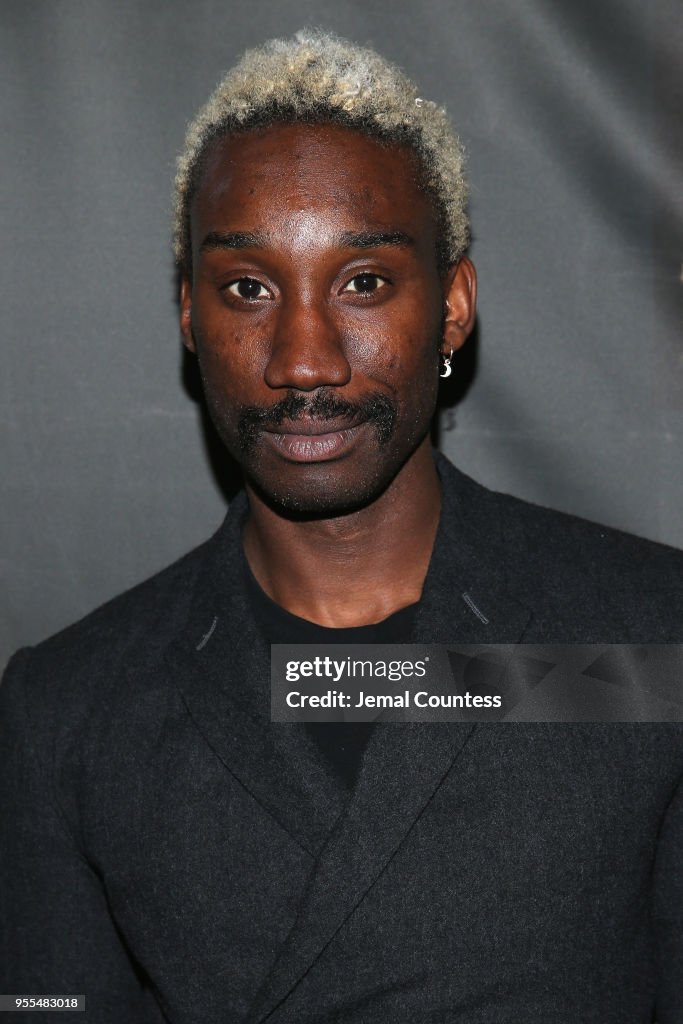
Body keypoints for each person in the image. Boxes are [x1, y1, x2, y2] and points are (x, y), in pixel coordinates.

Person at [1, 29, 682, 1024]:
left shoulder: (643, 638)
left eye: (362, 281)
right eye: (248, 288)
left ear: (449, 309)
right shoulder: (69, 713)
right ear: (190, 315)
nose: (304, 361)